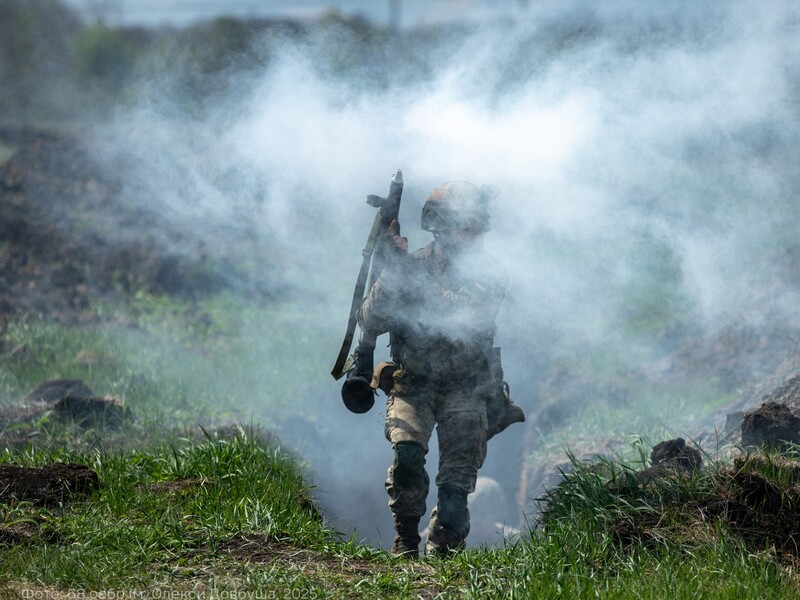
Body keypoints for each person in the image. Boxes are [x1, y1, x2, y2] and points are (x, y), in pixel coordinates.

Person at [357, 180, 515, 557]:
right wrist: (391, 273)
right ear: (440, 225)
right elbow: (369, 320)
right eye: (464, 223)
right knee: (407, 459)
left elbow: (459, 315)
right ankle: (406, 543)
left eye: (476, 225)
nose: (471, 233)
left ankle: (442, 559)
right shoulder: (410, 266)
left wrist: (409, 277)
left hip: (467, 387)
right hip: (414, 384)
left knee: (456, 490)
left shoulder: (491, 274)